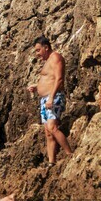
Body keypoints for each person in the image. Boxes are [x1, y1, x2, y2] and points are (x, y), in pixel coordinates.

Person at [27, 35, 72, 165]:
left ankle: (70, 154)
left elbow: (59, 79)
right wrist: (37, 86)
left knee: (52, 127)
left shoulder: (56, 57)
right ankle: (51, 162)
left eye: (38, 50)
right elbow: (49, 79)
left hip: (54, 97)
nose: (37, 54)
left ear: (46, 47)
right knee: (48, 132)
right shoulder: (48, 61)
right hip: (45, 99)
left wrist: (51, 97)